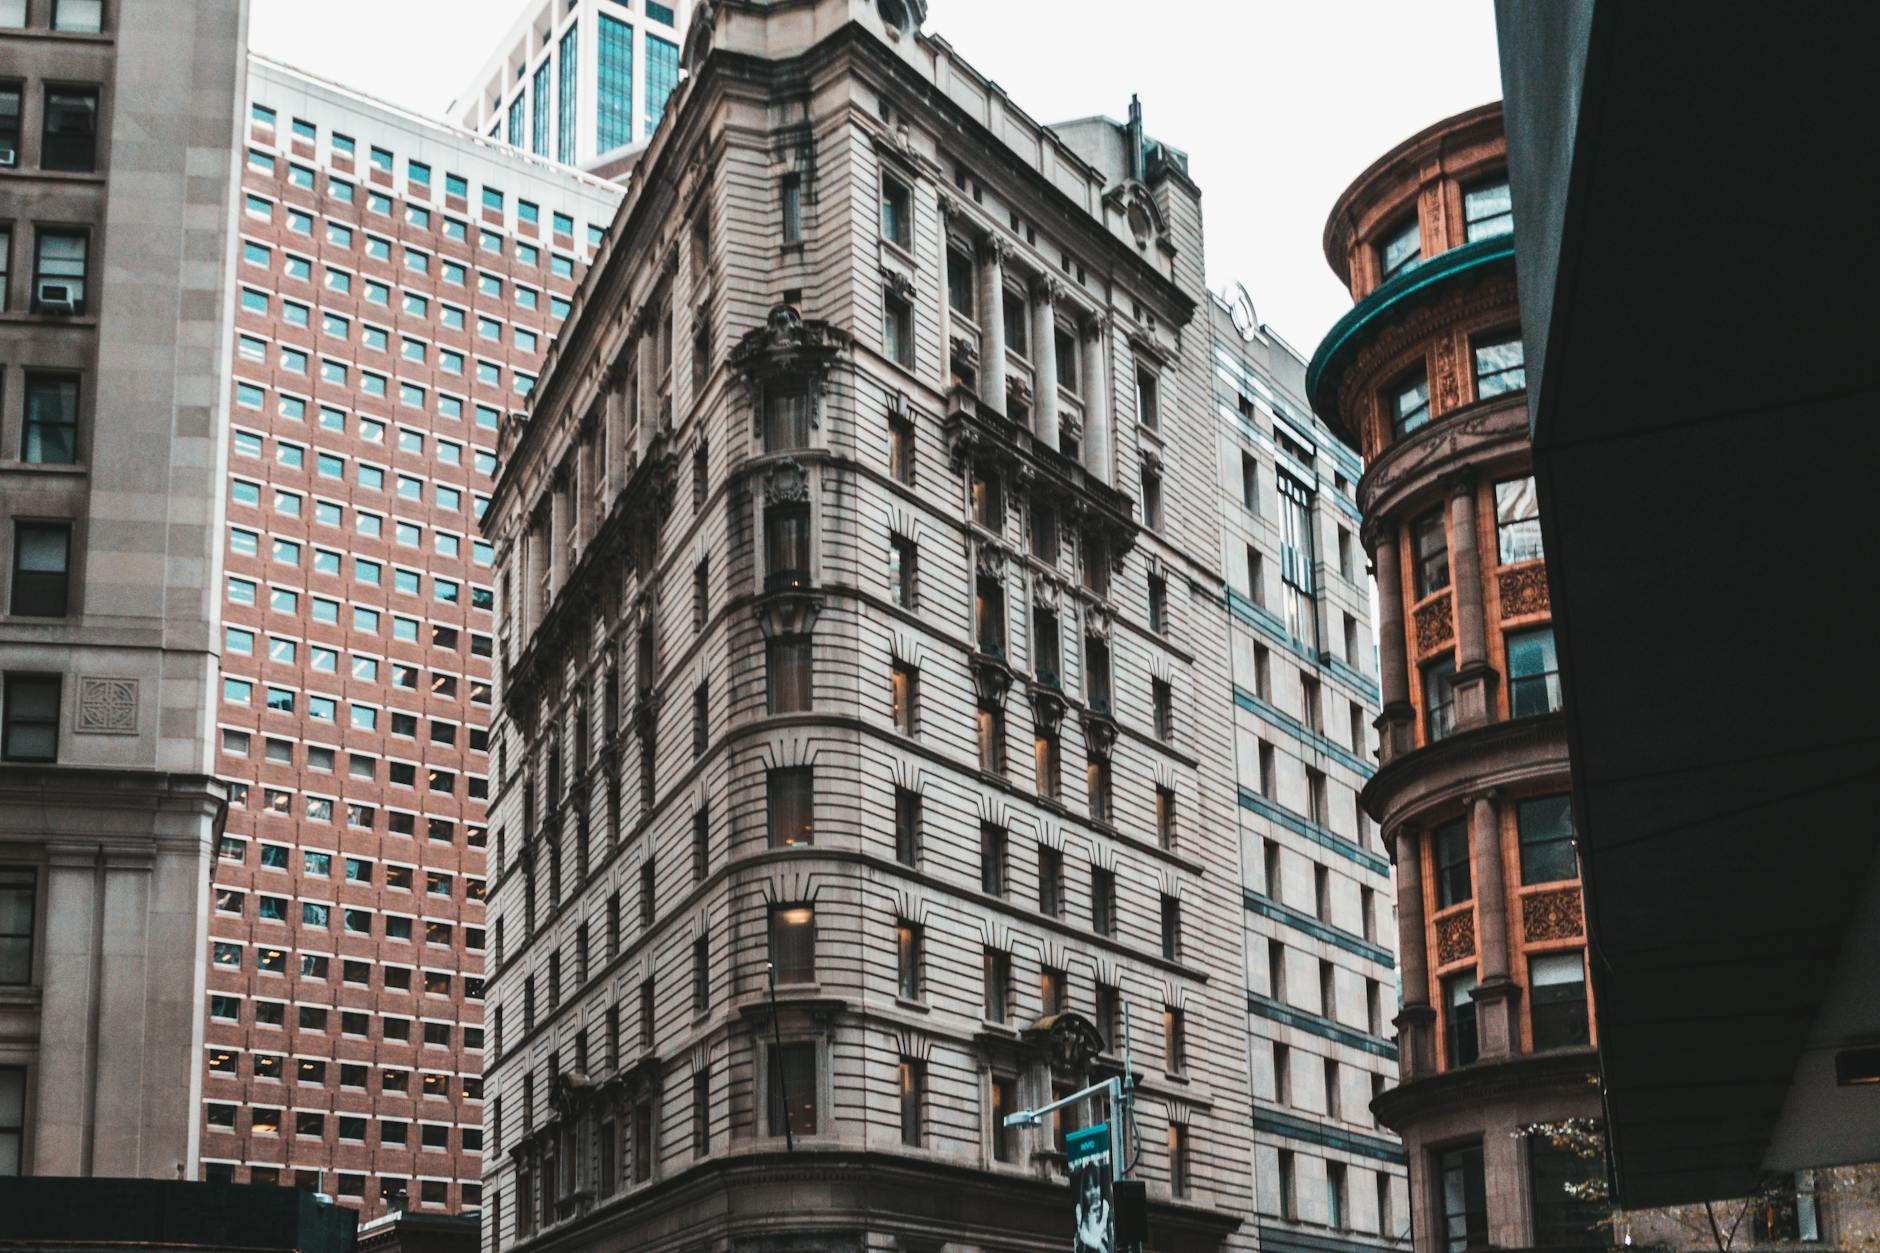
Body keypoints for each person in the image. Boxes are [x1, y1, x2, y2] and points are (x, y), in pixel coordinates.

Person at [1075, 1167, 1112, 1253]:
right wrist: (1099, 1245)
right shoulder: (1079, 1208)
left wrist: (1092, 1214)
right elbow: (1083, 1235)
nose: (1093, 1192)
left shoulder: (1104, 1205)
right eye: (1088, 1188)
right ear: (1083, 1192)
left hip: (1102, 1243)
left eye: (1096, 1186)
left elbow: (1096, 1233)